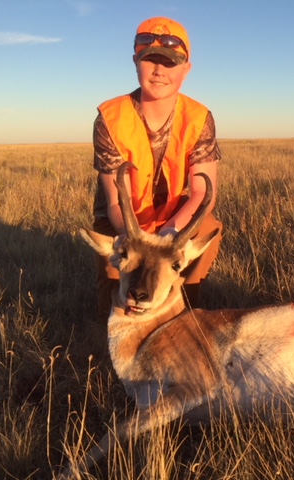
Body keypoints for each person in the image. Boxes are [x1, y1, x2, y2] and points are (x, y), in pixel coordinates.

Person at [91, 16, 222, 324]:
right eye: (150, 60)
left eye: (170, 62)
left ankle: (186, 312)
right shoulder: (111, 118)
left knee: (207, 226)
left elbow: (202, 192)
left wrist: (169, 235)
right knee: (115, 304)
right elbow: (115, 202)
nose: (160, 70)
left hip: (172, 223)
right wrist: (137, 239)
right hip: (124, 223)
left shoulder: (199, 118)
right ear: (135, 61)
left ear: (186, 69)